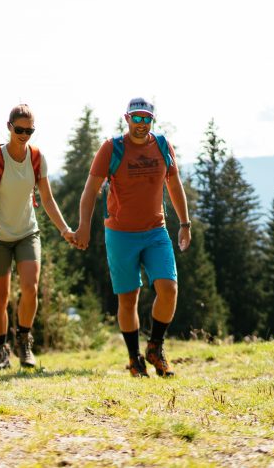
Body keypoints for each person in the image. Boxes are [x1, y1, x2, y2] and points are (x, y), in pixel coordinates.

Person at [68, 97, 191, 378]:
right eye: (136, 118)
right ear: (126, 119)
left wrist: (184, 223)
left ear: (152, 120)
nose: (141, 124)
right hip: (120, 234)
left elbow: (174, 184)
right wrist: (83, 226)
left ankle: (155, 348)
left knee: (169, 288)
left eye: (146, 118)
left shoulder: (161, 145)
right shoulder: (112, 148)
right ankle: (135, 358)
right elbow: (90, 191)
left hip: (156, 231)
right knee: (128, 298)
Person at [0, 104, 74, 370]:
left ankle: (24, 342)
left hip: (27, 233)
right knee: (1, 298)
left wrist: (65, 229)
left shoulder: (37, 158)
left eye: (29, 130)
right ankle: (1, 351)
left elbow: (48, 199)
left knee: (30, 289)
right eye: (19, 129)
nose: (24, 134)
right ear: (9, 127)